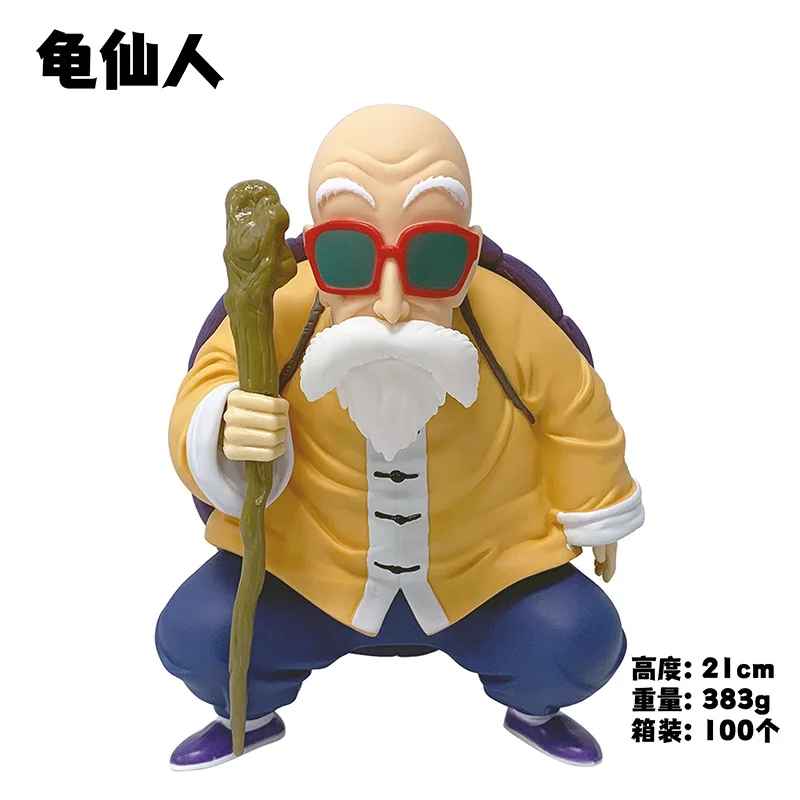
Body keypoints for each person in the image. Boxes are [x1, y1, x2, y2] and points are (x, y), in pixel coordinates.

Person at [158, 104, 644, 770]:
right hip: (309, 574)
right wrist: (223, 424)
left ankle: (534, 706)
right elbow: (205, 385)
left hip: (482, 575)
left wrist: (597, 511)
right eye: (349, 256)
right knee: (199, 637)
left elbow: (575, 408)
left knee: (578, 640)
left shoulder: (507, 318)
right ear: (314, 249)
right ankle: (248, 712)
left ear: (467, 248)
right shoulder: (280, 309)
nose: (390, 304)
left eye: (432, 258)